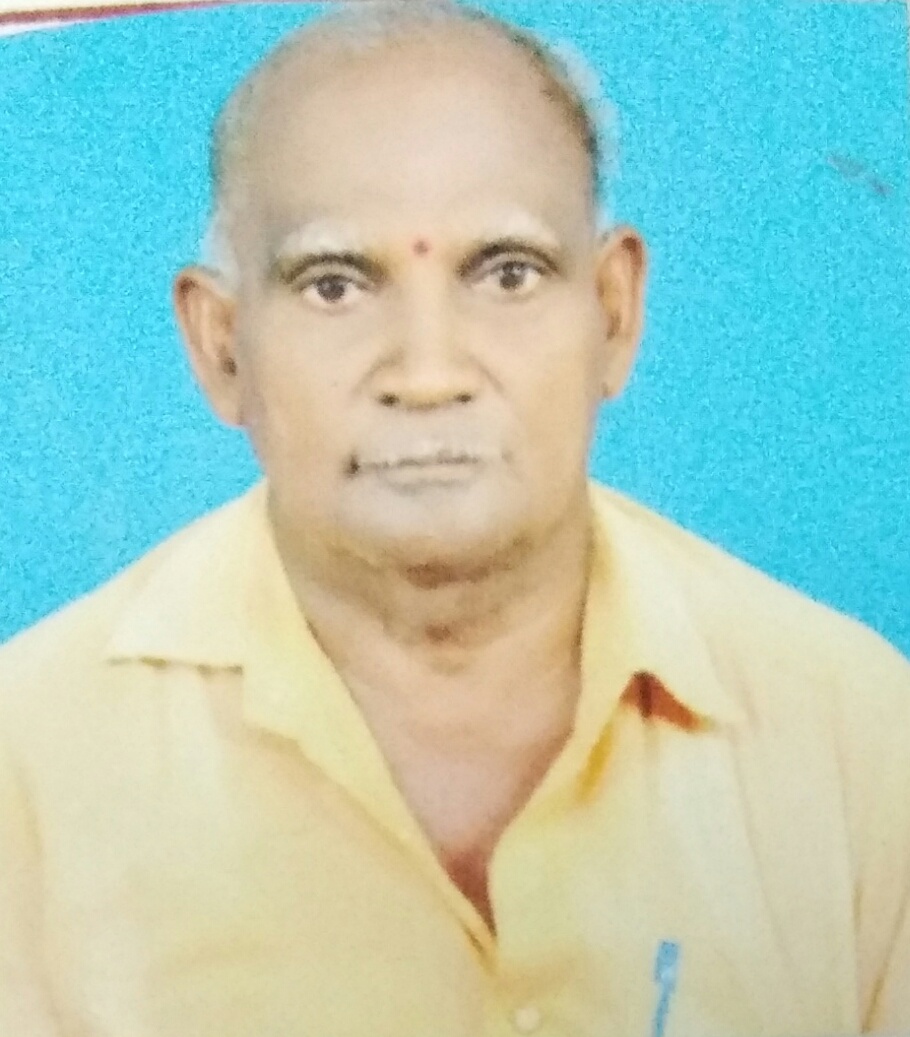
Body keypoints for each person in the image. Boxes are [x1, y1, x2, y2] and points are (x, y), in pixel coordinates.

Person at [1, 2, 908, 1035]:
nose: (428, 374)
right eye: (336, 285)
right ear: (221, 347)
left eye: (506, 273)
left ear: (614, 313)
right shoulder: (25, 772)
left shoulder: (857, 740)